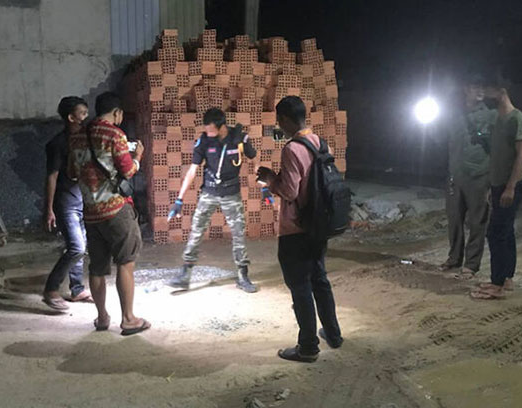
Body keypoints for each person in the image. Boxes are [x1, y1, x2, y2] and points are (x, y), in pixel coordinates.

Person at [257, 96, 343, 362]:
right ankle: (333, 334)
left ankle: (307, 347)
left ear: (284, 119)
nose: (279, 126)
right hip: (319, 224)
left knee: (300, 286)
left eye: (279, 121)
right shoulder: (320, 143)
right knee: (320, 280)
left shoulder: (292, 149)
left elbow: (290, 191)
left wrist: (270, 179)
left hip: (296, 228)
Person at [68, 91, 150, 335]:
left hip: (90, 212)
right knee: (125, 262)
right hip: (115, 210)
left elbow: (72, 172)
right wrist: (137, 157)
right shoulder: (114, 134)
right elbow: (127, 171)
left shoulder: (77, 137)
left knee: (96, 268)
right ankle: (129, 319)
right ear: (117, 112)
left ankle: (102, 317)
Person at [167, 108, 258, 293]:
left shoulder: (239, 138)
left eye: (211, 130)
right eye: (206, 130)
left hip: (231, 193)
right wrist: (179, 199)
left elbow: (255, 160)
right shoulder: (204, 141)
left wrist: (264, 185)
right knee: (196, 230)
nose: (208, 133)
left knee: (238, 233)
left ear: (222, 127)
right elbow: (192, 170)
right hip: (209, 192)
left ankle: (243, 275)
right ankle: (185, 274)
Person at [471, 78, 522, 300]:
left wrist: (510, 187)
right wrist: (491, 185)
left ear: (501, 90)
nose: (485, 94)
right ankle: (506, 279)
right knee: (506, 232)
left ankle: (497, 285)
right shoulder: (497, 119)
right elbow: (496, 156)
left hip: (511, 185)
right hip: (498, 185)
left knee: (495, 233)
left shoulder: (517, 118)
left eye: (488, 89)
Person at [440, 75, 497, 280]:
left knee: (477, 222)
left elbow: (497, 149)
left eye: (482, 87)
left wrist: (492, 180)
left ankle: (471, 265)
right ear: (466, 89)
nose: (480, 91)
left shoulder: (491, 116)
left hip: (479, 175)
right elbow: (444, 140)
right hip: (455, 175)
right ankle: (454, 258)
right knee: (454, 219)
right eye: (475, 87)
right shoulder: (454, 115)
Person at [42, 96, 93, 310]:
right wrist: (49, 209)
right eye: (83, 113)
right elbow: (52, 177)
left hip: (81, 200)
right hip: (65, 203)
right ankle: (51, 289)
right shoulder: (58, 144)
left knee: (80, 246)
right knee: (77, 247)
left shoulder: (84, 140)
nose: (86, 117)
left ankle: (77, 289)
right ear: (71, 117)